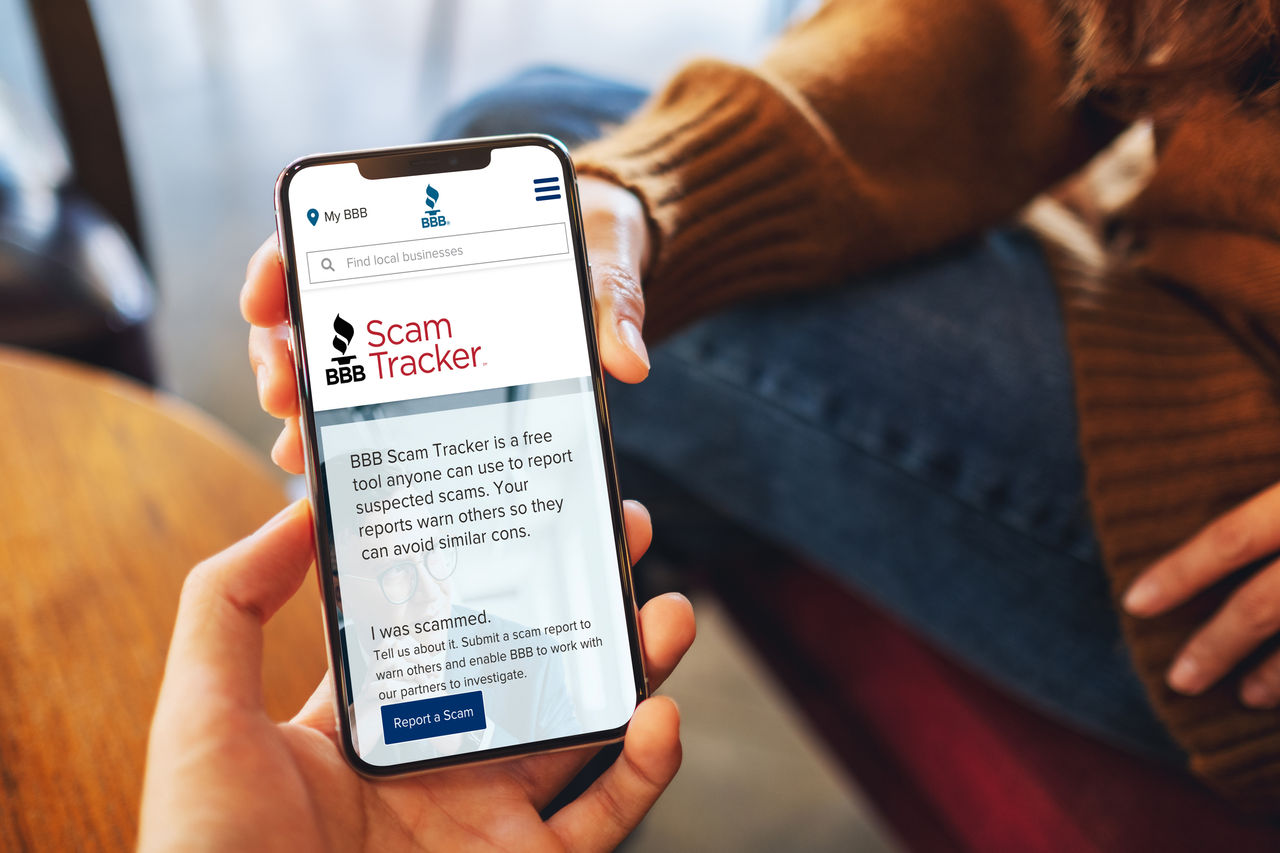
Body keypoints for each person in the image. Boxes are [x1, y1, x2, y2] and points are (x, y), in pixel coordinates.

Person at [244, 0, 1280, 813]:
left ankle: (446, 740)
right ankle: (478, 746)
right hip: (1176, 308)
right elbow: (1035, 22)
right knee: (541, 168)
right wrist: (646, 197)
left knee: (534, 285)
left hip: (1231, 493)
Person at [136, 499, 695, 851]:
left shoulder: (531, 653)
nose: (432, 593)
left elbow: (573, 738)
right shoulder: (346, 709)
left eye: (434, 561)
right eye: (398, 572)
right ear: (344, 590)